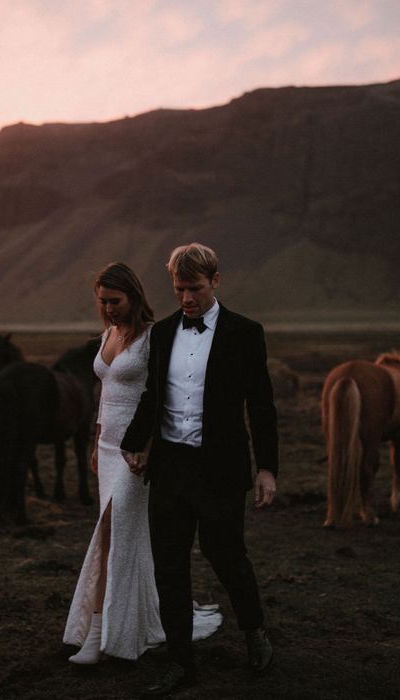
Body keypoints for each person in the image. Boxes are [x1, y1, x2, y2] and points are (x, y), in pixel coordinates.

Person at [121, 243, 278, 697]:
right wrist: (133, 443)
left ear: (216, 281)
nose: (186, 298)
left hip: (221, 471)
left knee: (227, 556)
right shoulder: (164, 332)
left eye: (194, 288)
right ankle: (180, 663)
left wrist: (267, 467)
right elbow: (152, 396)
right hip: (170, 469)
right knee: (169, 568)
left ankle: (255, 632)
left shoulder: (246, 333)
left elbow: (262, 405)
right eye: (179, 289)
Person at [63, 262, 222, 664]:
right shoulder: (108, 334)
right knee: (122, 538)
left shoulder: (154, 337)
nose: (109, 309)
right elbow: (106, 392)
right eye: (102, 302)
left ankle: (98, 634)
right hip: (109, 448)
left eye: (115, 301)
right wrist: (97, 441)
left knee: (110, 532)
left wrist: (150, 446)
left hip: (137, 454)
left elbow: (162, 396)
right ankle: (129, 621)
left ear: (134, 297)